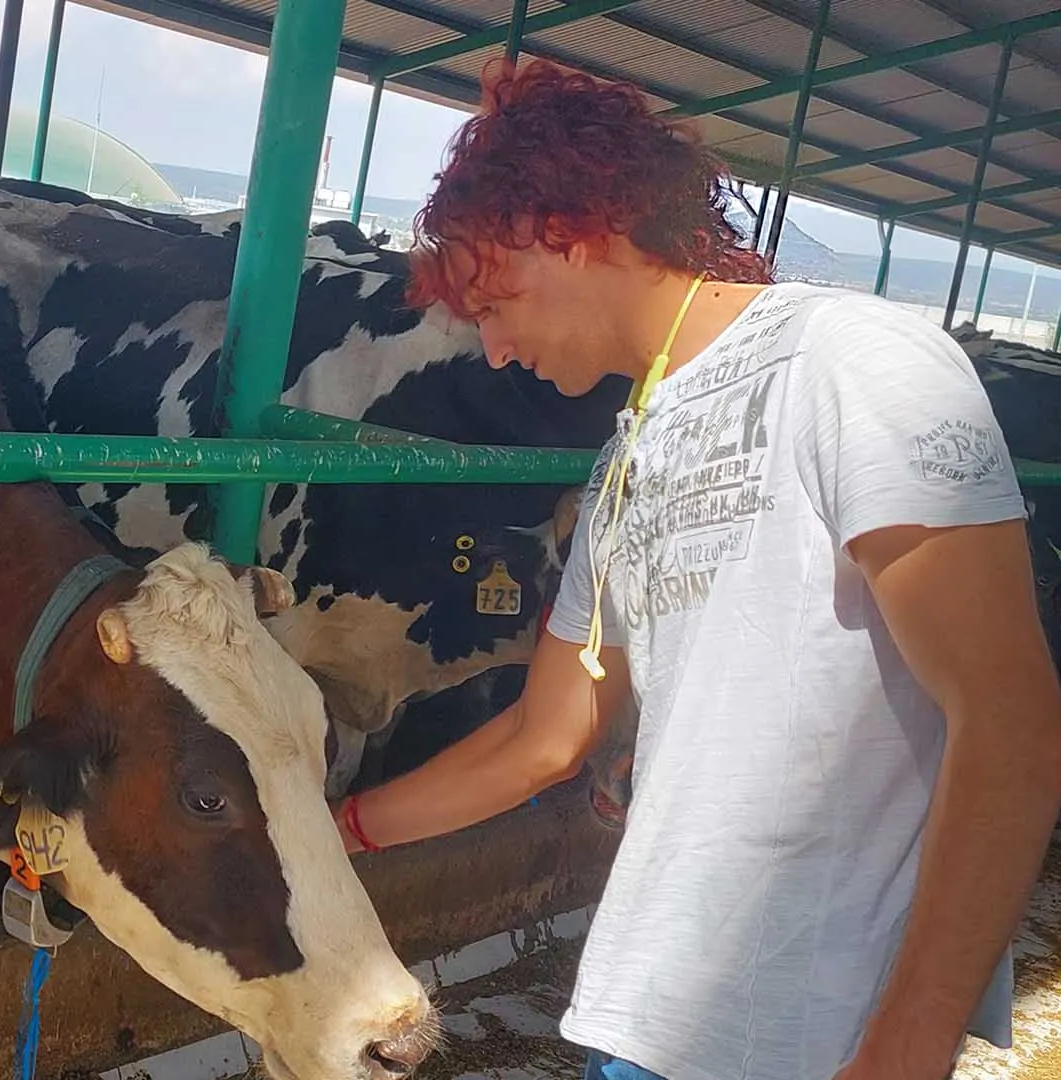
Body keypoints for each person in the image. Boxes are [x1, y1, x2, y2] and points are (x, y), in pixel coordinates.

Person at [334, 56, 1061, 1080]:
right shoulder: (625, 454)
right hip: (640, 1018)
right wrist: (340, 833)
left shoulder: (850, 358)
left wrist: (907, 1045)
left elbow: (1010, 717)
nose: (493, 350)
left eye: (491, 301)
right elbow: (544, 740)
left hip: (816, 1038)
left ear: (570, 230)